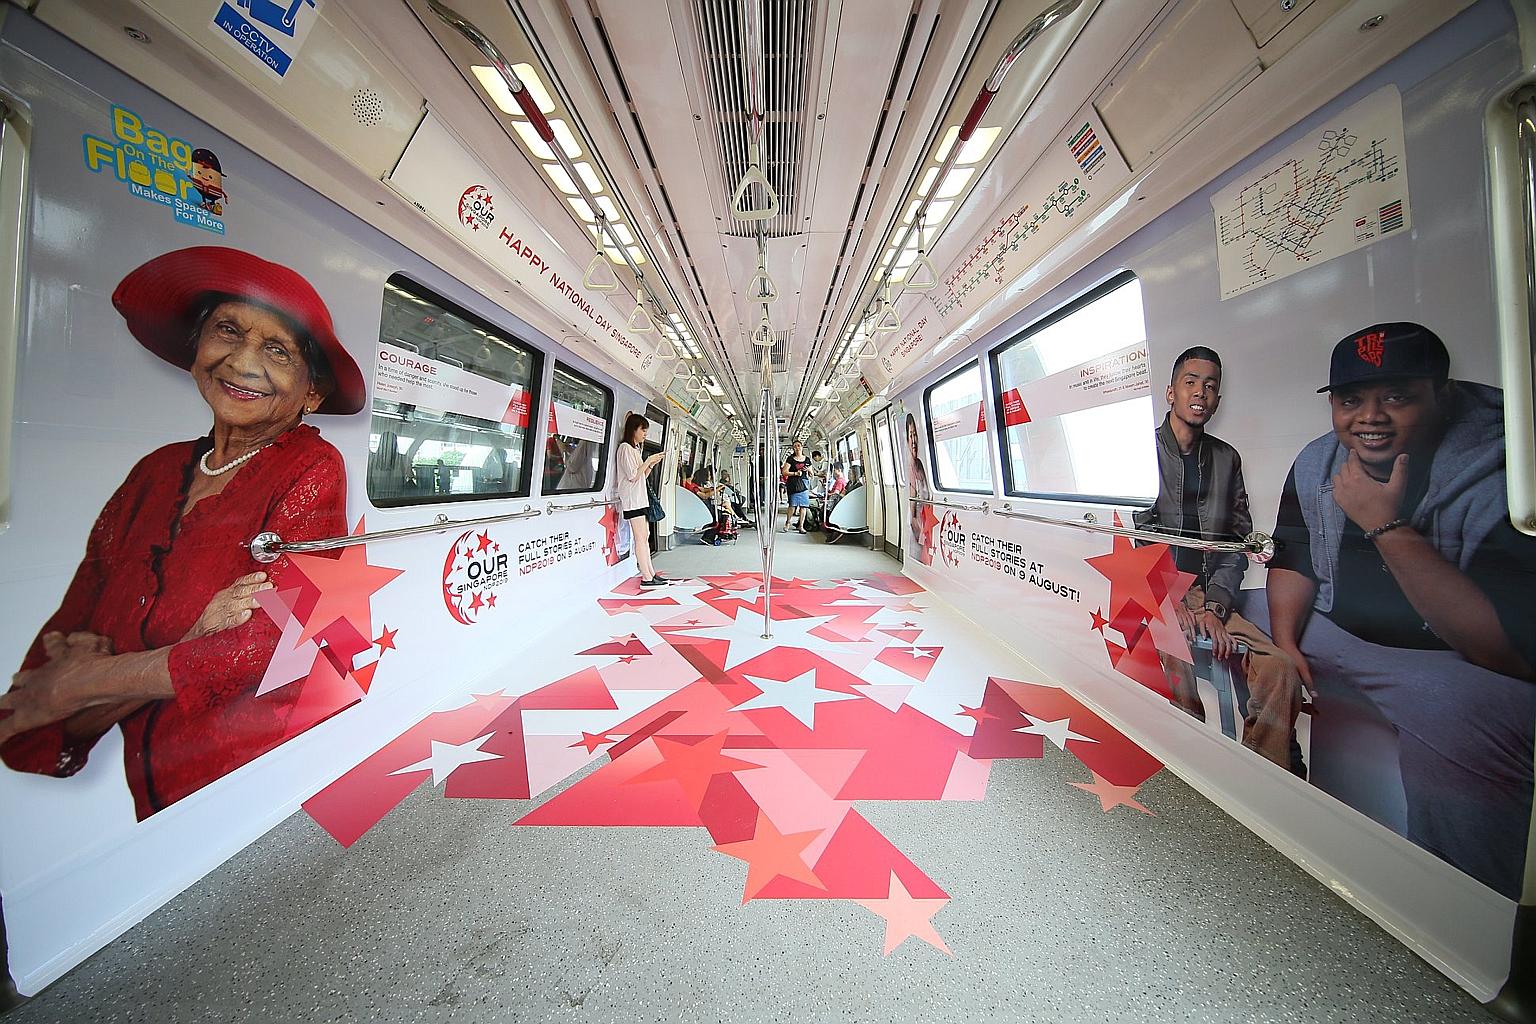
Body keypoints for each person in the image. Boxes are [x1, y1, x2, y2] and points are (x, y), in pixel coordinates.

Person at [0, 245, 366, 819]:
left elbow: (262, 647)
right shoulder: (153, 473)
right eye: (227, 331)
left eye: (276, 349)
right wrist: (181, 648)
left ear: (311, 394)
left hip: (249, 782)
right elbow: (29, 710)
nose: (244, 362)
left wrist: (81, 687)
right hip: (150, 796)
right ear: (197, 351)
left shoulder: (311, 467)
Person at [1262, 322, 1536, 899]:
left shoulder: (1507, 463)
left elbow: (1501, 645)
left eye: (1396, 396)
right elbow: (1293, 553)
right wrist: (1283, 643)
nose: (1370, 417)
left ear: (1442, 393)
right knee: (1244, 642)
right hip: (1336, 627)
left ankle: (1460, 910)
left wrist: (1383, 524)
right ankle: (1273, 816)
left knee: (1474, 707)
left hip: (1445, 657)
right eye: (1351, 399)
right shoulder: (1319, 460)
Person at [1134, 347, 1306, 774]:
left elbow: (1237, 544)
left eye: (1211, 386)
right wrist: (1173, 600)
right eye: (1191, 382)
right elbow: (1134, 538)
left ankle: (1262, 773)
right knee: (1175, 654)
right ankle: (1184, 768)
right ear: (1170, 392)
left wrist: (1214, 605)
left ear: (1218, 400)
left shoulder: (1227, 458)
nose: (1200, 392)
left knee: (1280, 666)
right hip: (1160, 590)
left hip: (1211, 594)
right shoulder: (1140, 451)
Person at [616, 413, 669, 588]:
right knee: (640, 538)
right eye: (643, 430)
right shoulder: (625, 449)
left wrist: (651, 464)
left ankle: (651, 572)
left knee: (644, 537)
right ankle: (646, 577)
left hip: (640, 499)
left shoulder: (634, 450)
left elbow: (641, 476)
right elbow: (632, 476)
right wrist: (647, 461)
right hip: (632, 500)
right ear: (634, 430)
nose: (645, 433)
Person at [905, 414, 932, 564]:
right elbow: (912, 497)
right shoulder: (910, 467)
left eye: (915, 435)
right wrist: (915, 520)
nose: (914, 440)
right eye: (910, 436)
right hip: (918, 521)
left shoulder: (919, 464)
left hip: (924, 518)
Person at [782, 440, 812, 533]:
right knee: (792, 505)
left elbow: (812, 474)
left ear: (802, 447)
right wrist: (795, 473)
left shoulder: (807, 460)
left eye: (798, 446)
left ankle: (801, 526)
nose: (797, 448)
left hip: (804, 484)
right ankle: (788, 522)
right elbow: (784, 472)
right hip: (793, 483)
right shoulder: (790, 459)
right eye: (795, 446)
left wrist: (808, 471)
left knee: (804, 506)